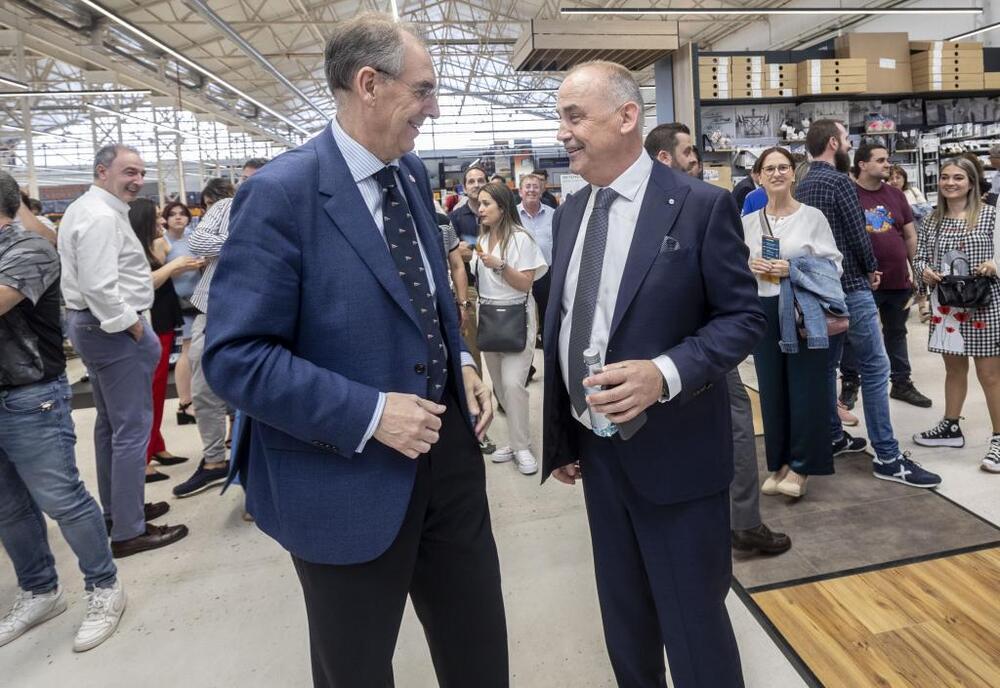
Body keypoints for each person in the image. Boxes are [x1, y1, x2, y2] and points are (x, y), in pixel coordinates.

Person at [201, 15, 508, 687]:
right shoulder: (281, 194)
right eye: (423, 91)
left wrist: (459, 359)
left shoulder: (410, 173)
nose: (433, 108)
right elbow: (234, 357)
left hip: (448, 458)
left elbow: (426, 291)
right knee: (358, 670)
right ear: (368, 83)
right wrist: (370, 414)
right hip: (345, 475)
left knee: (479, 653)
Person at [544, 61, 765, 687]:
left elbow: (742, 319)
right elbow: (567, 324)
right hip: (597, 452)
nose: (563, 132)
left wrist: (663, 373)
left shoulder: (698, 206)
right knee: (625, 620)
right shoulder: (571, 213)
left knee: (693, 626)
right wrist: (565, 427)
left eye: (574, 116)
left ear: (627, 116)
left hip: (676, 456)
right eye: (561, 117)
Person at [644, 129, 789, 552]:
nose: (696, 158)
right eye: (688, 151)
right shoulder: (706, 202)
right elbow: (730, 293)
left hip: (673, 348)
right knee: (736, 421)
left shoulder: (645, 208)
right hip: (699, 342)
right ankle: (741, 519)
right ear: (665, 157)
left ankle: (712, 518)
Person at [0, 172, 126, 652]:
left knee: (62, 498)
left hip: (31, 397)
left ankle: (104, 586)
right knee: (9, 508)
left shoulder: (28, 249)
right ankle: (39, 590)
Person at [58, 144, 189, 556]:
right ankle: (129, 530)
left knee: (111, 427)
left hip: (96, 327)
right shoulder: (99, 217)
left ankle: (120, 510)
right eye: (128, 171)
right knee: (131, 429)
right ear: (102, 171)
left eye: (140, 172)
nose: (136, 179)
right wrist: (133, 328)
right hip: (111, 329)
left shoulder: (94, 209)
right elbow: (99, 287)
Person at [795, 120, 940, 489]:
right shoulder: (840, 182)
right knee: (876, 367)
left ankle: (833, 435)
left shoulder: (806, 182)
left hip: (819, 288)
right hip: (851, 285)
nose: (848, 146)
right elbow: (857, 233)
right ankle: (888, 457)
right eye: (846, 140)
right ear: (833, 143)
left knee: (829, 365)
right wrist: (871, 268)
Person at [743, 147, 844, 499]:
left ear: (793, 173)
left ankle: (802, 466)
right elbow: (736, 267)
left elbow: (834, 266)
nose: (776, 174)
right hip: (764, 310)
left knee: (806, 388)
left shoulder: (812, 217)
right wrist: (750, 268)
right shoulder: (749, 222)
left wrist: (793, 269)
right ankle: (780, 462)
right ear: (757, 176)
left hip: (802, 312)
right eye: (769, 168)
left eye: (783, 167)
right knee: (771, 389)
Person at [912, 157, 1000, 473]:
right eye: (946, 177)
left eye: (958, 178)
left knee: (990, 375)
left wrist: (993, 265)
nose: (950, 182)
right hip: (947, 307)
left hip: (984, 303)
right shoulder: (931, 220)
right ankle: (951, 425)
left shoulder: (990, 216)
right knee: (954, 370)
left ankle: (999, 438)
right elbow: (919, 256)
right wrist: (925, 271)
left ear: (972, 183)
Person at [839, 144, 931, 409]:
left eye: (887, 159)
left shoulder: (896, 195)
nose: (887, 164)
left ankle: (901, 382)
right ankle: (850, 383)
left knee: (896, 332)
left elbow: (910, 234)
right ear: (862, 164)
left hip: (897, 279)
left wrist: (917, 270)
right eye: (880, 160)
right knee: (853, 335)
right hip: (861, 281)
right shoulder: (848, 194)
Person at [473, 181, 547, 475]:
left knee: (515, 384)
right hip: (488, 316)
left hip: (516, 315)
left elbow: (526, 283)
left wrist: (500, 265)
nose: (480, 209)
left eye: (486, 204)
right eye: (479, 204)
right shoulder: (483, 238)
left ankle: (522, 446)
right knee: (500, 386)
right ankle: (515, 441)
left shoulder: (521, 239)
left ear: (502, 208)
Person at [128, 198, 201, 480]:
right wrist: (172, 267)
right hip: (151, 322)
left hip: (164, 319)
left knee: (157, 391)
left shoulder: (152, 245)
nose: (164, 221)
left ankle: (156, 446)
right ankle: (144, 458)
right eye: (158, 216)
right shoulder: (134, 250)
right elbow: (147, 282)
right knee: (150, 390)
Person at [173, 178, 236, 498]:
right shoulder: (227, 208)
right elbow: (198, 242)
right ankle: (214, 462)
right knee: (204, 387)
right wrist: (246, 239)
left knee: (251, 395)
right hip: (213, 310)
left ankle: (245, 466)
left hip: (259, 312)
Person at [161, 202, 199, 425]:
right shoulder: (161, 243)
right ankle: (185, 402)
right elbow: (157, 273)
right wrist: (180, 267)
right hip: (178, 305)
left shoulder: (194, 237)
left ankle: (197, 399)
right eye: (173, 214)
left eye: (182, 214)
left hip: (200, 300)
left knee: (198, 351)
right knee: (186, 350)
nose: (178, 218)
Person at [517, 172, 554, 345]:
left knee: (548, 317)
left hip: (547, 274)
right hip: (520, 274)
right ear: (520, 191)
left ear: (542, 191)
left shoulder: (554, 214)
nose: (532, 190)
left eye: (536, 187)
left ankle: (549, 355)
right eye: (528, 186)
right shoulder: (511, 215)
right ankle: (527, 366)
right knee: (523, 318)